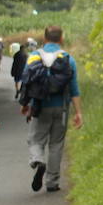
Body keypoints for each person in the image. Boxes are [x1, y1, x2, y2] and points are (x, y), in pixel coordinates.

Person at [20, 25, 83, 193]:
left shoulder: (34, 56)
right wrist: (78, 112)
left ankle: (38, 160)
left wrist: (25, 104)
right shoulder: (68, 58)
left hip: (39, 107)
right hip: (61, 108)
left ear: (44, 38)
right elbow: (74, 88)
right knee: (56, 144)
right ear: (61, 39)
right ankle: (52, 182)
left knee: (35, 140)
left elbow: (26, 82)